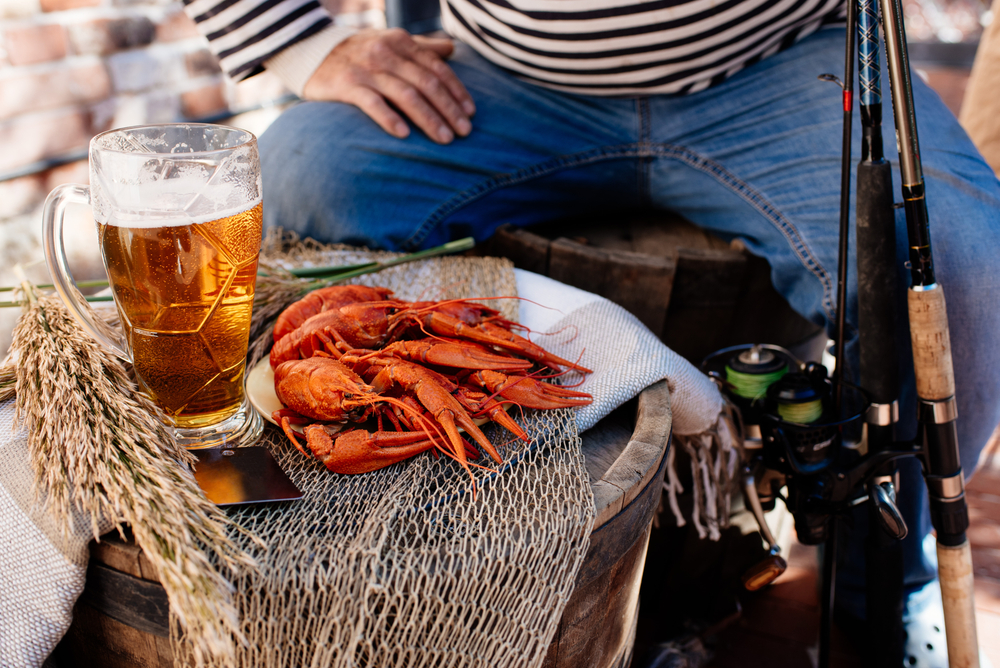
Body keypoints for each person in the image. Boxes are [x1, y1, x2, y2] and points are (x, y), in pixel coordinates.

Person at [184, 0, 1000, 663]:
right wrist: (295, 42)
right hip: (503, 84)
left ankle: (886, 579)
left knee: (962, 270)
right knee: (295, 173)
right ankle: (382, 556)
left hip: (782, 65)